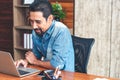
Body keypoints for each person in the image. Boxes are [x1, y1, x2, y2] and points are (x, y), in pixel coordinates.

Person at [15, 0, 74, 72]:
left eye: (38, 22)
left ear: (50, 19)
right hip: (47, 73)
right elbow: (36, 55)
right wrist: (25, 61)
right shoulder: (36, 31)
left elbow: (57, 65)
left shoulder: (61, 32)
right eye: (31, 21)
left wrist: (35, 62)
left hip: (64, 75)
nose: (34, 26)